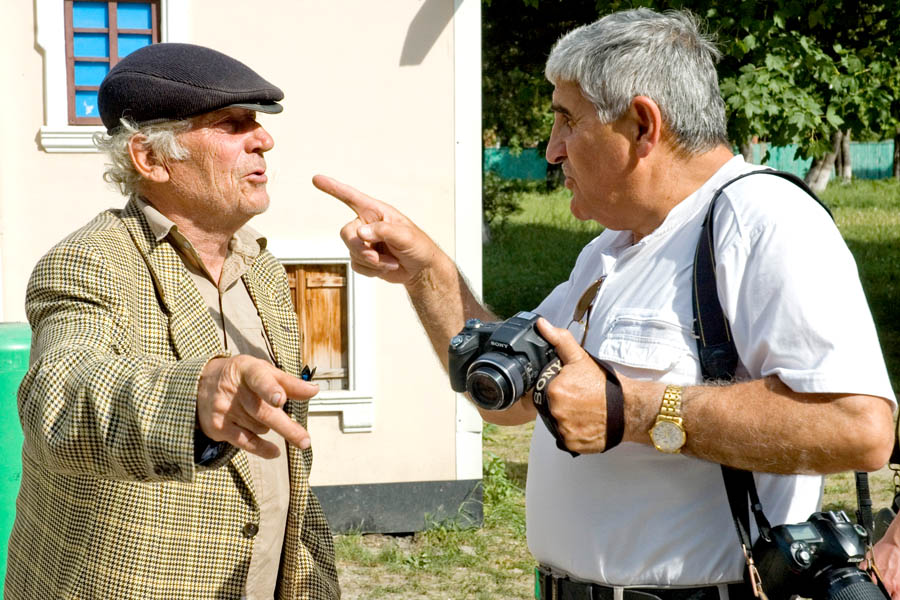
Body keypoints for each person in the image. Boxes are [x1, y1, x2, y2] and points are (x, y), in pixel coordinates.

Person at [313, 8, 896, 600]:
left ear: (643, 126)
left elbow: (858, 428)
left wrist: (633, 411)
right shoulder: (610, 248)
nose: (551, 150)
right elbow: (508, 401)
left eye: (567, 120)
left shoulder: (762, 220)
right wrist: (426, 271)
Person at [5, 43, 340, 600]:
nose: (264, 139)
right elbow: (59, 398)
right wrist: (195, 397)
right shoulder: (90, 260)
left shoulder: (263, 268)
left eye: (257, 123)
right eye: (231, 125)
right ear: (151, 159)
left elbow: (282, 471)